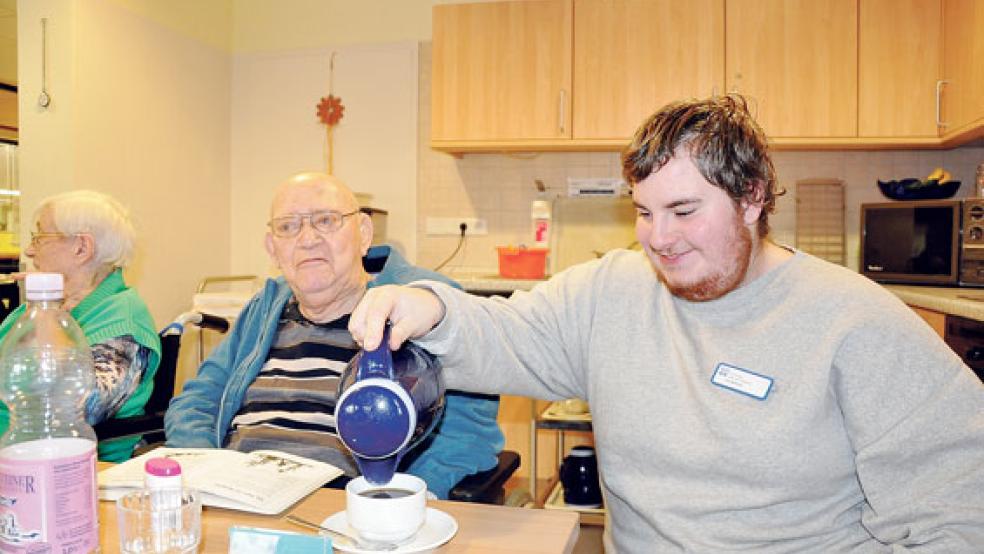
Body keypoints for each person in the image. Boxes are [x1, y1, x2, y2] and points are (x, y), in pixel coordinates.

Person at [349, 96, 984, 551]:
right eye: (644, 212)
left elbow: (961, 506)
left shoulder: (857, 322)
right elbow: (510, 336)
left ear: (753, 197)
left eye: (683, 210)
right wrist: (432, 307)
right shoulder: (611, 290)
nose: (660, 239)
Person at [164, 172, 504, 499]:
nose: (307, 239)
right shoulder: (263, 308)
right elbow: (198, 400)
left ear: (364, 233)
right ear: (272, 248)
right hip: (238, 495)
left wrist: (403, 497)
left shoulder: (420, 306)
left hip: (343, 504)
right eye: (288, 226)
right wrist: (205, 470)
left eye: (326, 220)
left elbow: (469, 431)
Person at [0, 190, 162, 463]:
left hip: (62, 467)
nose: (29, 250)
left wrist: (47, 308)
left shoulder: (124, 321)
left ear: (81, 248)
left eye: (39, 237)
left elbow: (75, 409)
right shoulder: (40, 309)